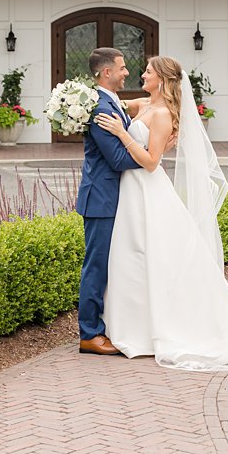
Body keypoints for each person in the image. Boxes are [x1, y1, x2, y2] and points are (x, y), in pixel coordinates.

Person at [93, 55, 228, 371]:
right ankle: (132, 327)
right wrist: (76, 101)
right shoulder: (143, 104)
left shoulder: (162, 115)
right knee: (131, 256)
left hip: (147, 187)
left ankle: (155, 330)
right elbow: (108, 101)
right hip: (129, 191)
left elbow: (151, 161)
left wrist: (121, 133)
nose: (141, 75)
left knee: (152, 255)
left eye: (147, 71)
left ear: (163, 79)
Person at [74, 47, 142, 356]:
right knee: (96, 267)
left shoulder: (113, 102)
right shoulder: (101, 108)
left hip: (114, 197)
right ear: (106, 73)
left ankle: (106, 325)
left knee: (113, 265)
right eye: (122, 68)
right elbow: (116, 158)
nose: (126, 72)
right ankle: (89, 333)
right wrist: (151, 157)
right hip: (101, 198)